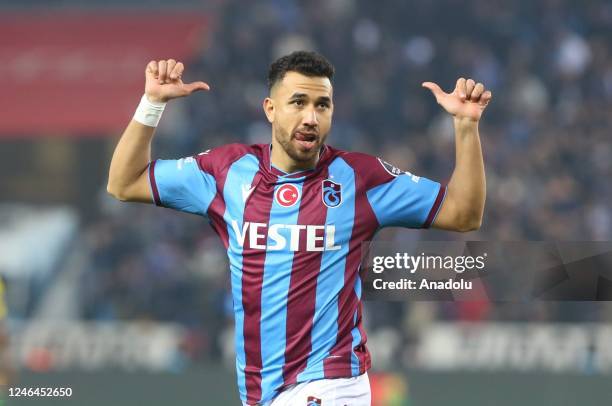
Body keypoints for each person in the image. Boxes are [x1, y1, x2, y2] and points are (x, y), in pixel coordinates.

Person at [107, 51, 491, 405]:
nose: (311, 117)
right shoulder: (227, 172)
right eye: (298, 103)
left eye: (322, 105)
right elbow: (125, 183)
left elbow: (462, 213)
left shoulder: (360, 178)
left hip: (332, 382)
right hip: (262, 392)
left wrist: (465, 127)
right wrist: (152, 104)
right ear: (270, 109)